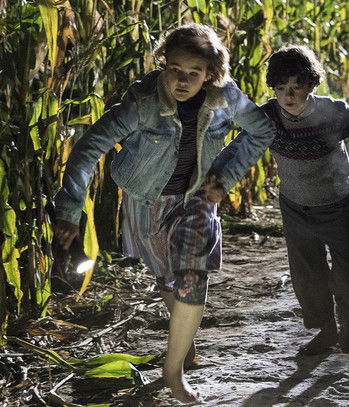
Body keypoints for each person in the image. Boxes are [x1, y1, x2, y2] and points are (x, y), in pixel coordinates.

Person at [53, 23, 275, 403]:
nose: (183, 81)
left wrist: (225, 178)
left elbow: (262, 132)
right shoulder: (142, 102)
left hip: (197, 199)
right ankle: (183, 346)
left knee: (191, 273)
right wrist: (70, 211)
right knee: (167, 277)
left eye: (194, 73)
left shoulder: (227, 98)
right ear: (163, 64)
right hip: (146, 200)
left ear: (211, 73)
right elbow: (88, 149)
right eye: (175, 69)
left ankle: (172, 373)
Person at [210, 45, 349, 355]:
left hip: (337, 204)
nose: (288, 95)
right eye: (281, 88)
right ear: (273, 88)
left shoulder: (334, 114)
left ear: (311, 85)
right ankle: (327, 331)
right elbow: (239, 150)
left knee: (347, 272)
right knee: (307, 276)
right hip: (295, 208)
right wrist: (214, 179)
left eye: (296, 88)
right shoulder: (268, 118)